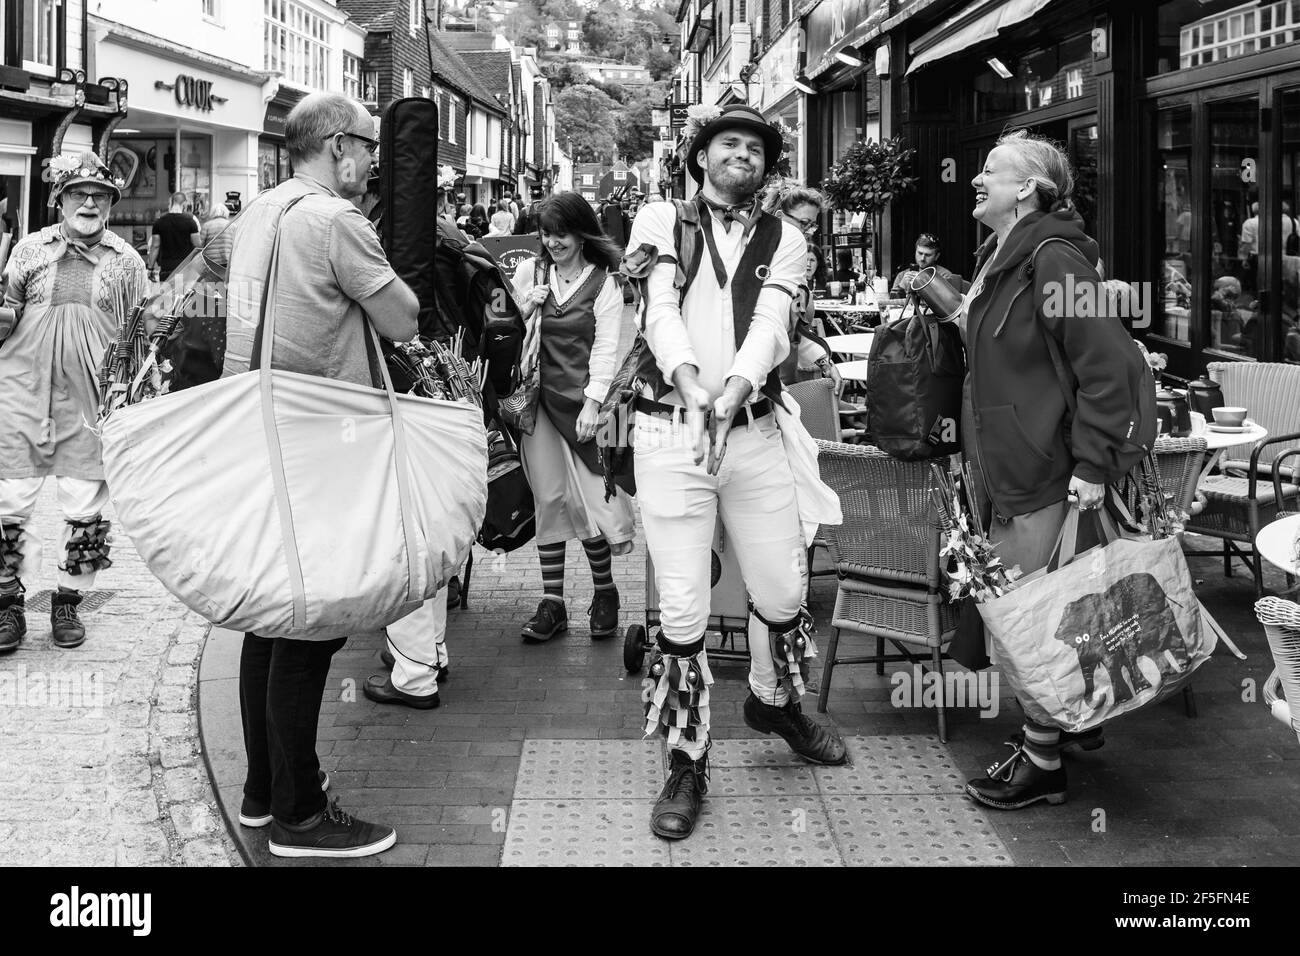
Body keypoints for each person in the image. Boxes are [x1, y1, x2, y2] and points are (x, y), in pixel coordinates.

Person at [625, 104, 848, 842]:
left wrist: (734, 392)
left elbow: (774, 323)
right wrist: (691, 386)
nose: (743, 156)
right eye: (729, 144)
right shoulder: (660, 220)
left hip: (752, 433)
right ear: (700, 155)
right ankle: (687, 756)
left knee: (785, 588)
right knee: (684, 611)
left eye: (755, 148)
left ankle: (770, 699)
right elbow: (657, 307)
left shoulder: (787, 234)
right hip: (670, 433)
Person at [222, 92, 418, 857]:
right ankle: (303, 813)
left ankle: (262, 795)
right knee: (312, 624)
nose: (371, 163)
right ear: (338, 145)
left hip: (261, 430)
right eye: (367, 147)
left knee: (269, 619)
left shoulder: (259, 213)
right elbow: (402, 318)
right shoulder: (335, 219)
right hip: (324, 440)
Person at [957, 129, 1150, 811]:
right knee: (1043, 603)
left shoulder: (1054, 257)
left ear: (1029, 189)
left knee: (1032, 613)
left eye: (990, 170)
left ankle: (1041, 764)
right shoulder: (1008, 255)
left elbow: (1112, 369)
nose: (977, 179)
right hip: (1016, 467)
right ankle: (1069, 724)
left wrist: (1094, 463)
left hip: (1048, 472)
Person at [0, 151, 147, 654]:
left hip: (89, 397)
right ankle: (7, 604)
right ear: (60, 200)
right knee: (8, 504)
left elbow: (136, 336)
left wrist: (132, 398)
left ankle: (67, 601)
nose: (89, 202)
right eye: (79, 194)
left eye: (99, 195)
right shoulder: (27, 249)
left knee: (85, 507)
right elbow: (9, 311)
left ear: (110, 203)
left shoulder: (127, 260)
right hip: (23, 389)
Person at [509, 191, 635, 643]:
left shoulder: (605, 283)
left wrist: (594, 403)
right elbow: (506, 334)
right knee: (549, 497)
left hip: (581, 406)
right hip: (538, 403)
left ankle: (605, 593)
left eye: (561, 232)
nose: (553, 241)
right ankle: (553, 602)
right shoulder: (530, 272)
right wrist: (525, 307)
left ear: (581, 233)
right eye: (546, 233)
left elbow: (605, 349)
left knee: (588, 502)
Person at [761, 178, 838, 387]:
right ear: (779, 217)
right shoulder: (757, 257)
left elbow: (795, 328)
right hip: (762, 375)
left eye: (812, 225)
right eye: (804, 223)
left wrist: (823, 361)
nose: (809, 231)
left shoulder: (795, 258)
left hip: (787, 373)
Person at [148, 191, 201, 280]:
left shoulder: (159, 222)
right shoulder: (191, 221)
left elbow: (155, 246)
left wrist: (150, 268)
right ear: (184, 204)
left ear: (171, 203)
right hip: (185, 268)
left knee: (167, 293)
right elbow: (197, 246)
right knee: (183, 293)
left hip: (166, 268)